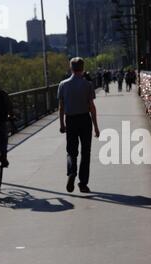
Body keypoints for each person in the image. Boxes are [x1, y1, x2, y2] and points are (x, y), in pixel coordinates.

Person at [58, 57, 100, 193]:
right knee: (85, 152)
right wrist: (96, 126)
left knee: (71, 151)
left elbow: (61, 107)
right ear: (82, 68)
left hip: (70, 120)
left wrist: (62, 124)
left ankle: (71, 172)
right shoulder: (88, 85)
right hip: (84, 120)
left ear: (71, 68)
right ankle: (83, 183)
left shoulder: (63, 85)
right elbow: (92, 107)